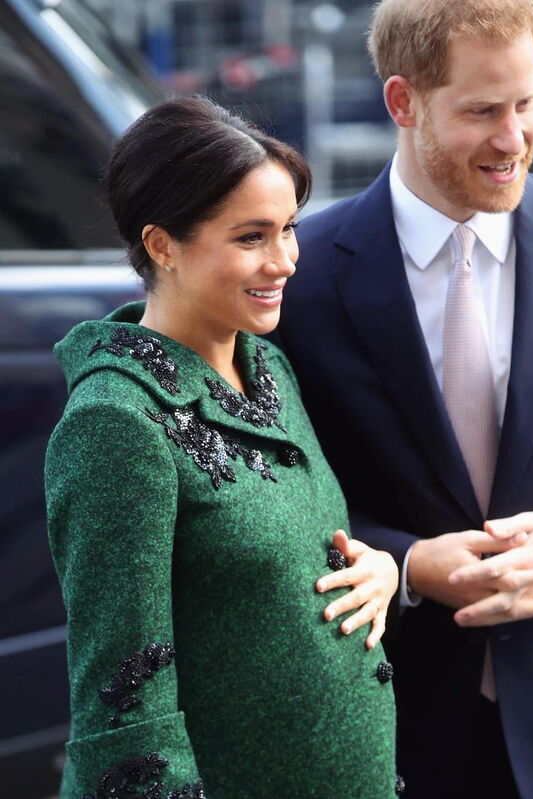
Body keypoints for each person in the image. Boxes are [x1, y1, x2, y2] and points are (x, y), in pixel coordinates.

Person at [273, 1, 533, 797]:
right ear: (402, 102)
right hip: (382, 719)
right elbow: (273, 496)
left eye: (527, 102)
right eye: (483, 110)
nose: (514, 138)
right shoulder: (300, 279)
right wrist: (407, 564)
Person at [45, 97, 402, 798]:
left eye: (289, 230)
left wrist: (381, 570)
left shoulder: (267, 366)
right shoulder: (115, 423)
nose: (286, 261)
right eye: (252, 238)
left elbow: (282, 562)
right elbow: (123, 709)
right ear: (162, 244)